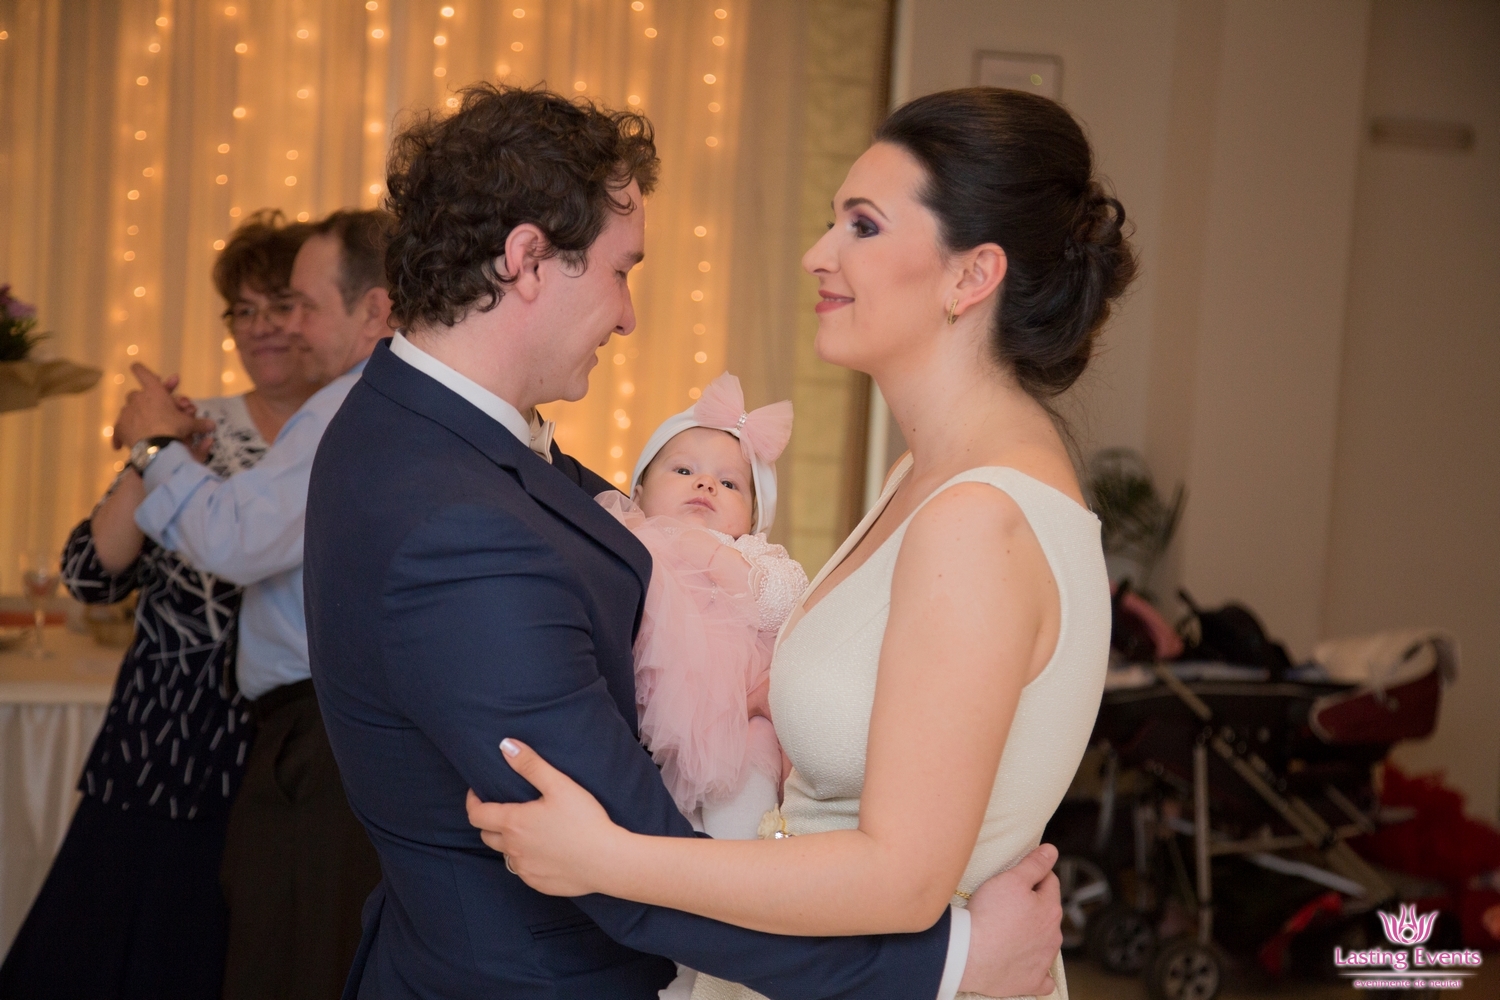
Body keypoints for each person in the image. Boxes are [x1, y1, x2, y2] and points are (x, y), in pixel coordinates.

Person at [305, 82, 1062, 1000]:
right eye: (622, 271)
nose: (629, 316)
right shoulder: (457, 526)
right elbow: (626, 865)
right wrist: (953, 964)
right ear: (528, 260)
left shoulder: (414, 424)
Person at [0, 212, 321, 1000]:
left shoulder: (344, 433)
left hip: (284, 760)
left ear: (318, 314)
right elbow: (91, 575)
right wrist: (159, 455)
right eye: (243, 310)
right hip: (159, 747)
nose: (260, 327)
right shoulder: (193, 424)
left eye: (281, 305)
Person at [110, 209, 393, 1000]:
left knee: (290, 960)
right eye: (260, 309)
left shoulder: (348, 406)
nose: (287, 328)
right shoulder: (376, 403)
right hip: (293, 733)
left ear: (374, 310)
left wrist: (154, 447)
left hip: (317, 734)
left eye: (302, 305)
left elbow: (234, 539)